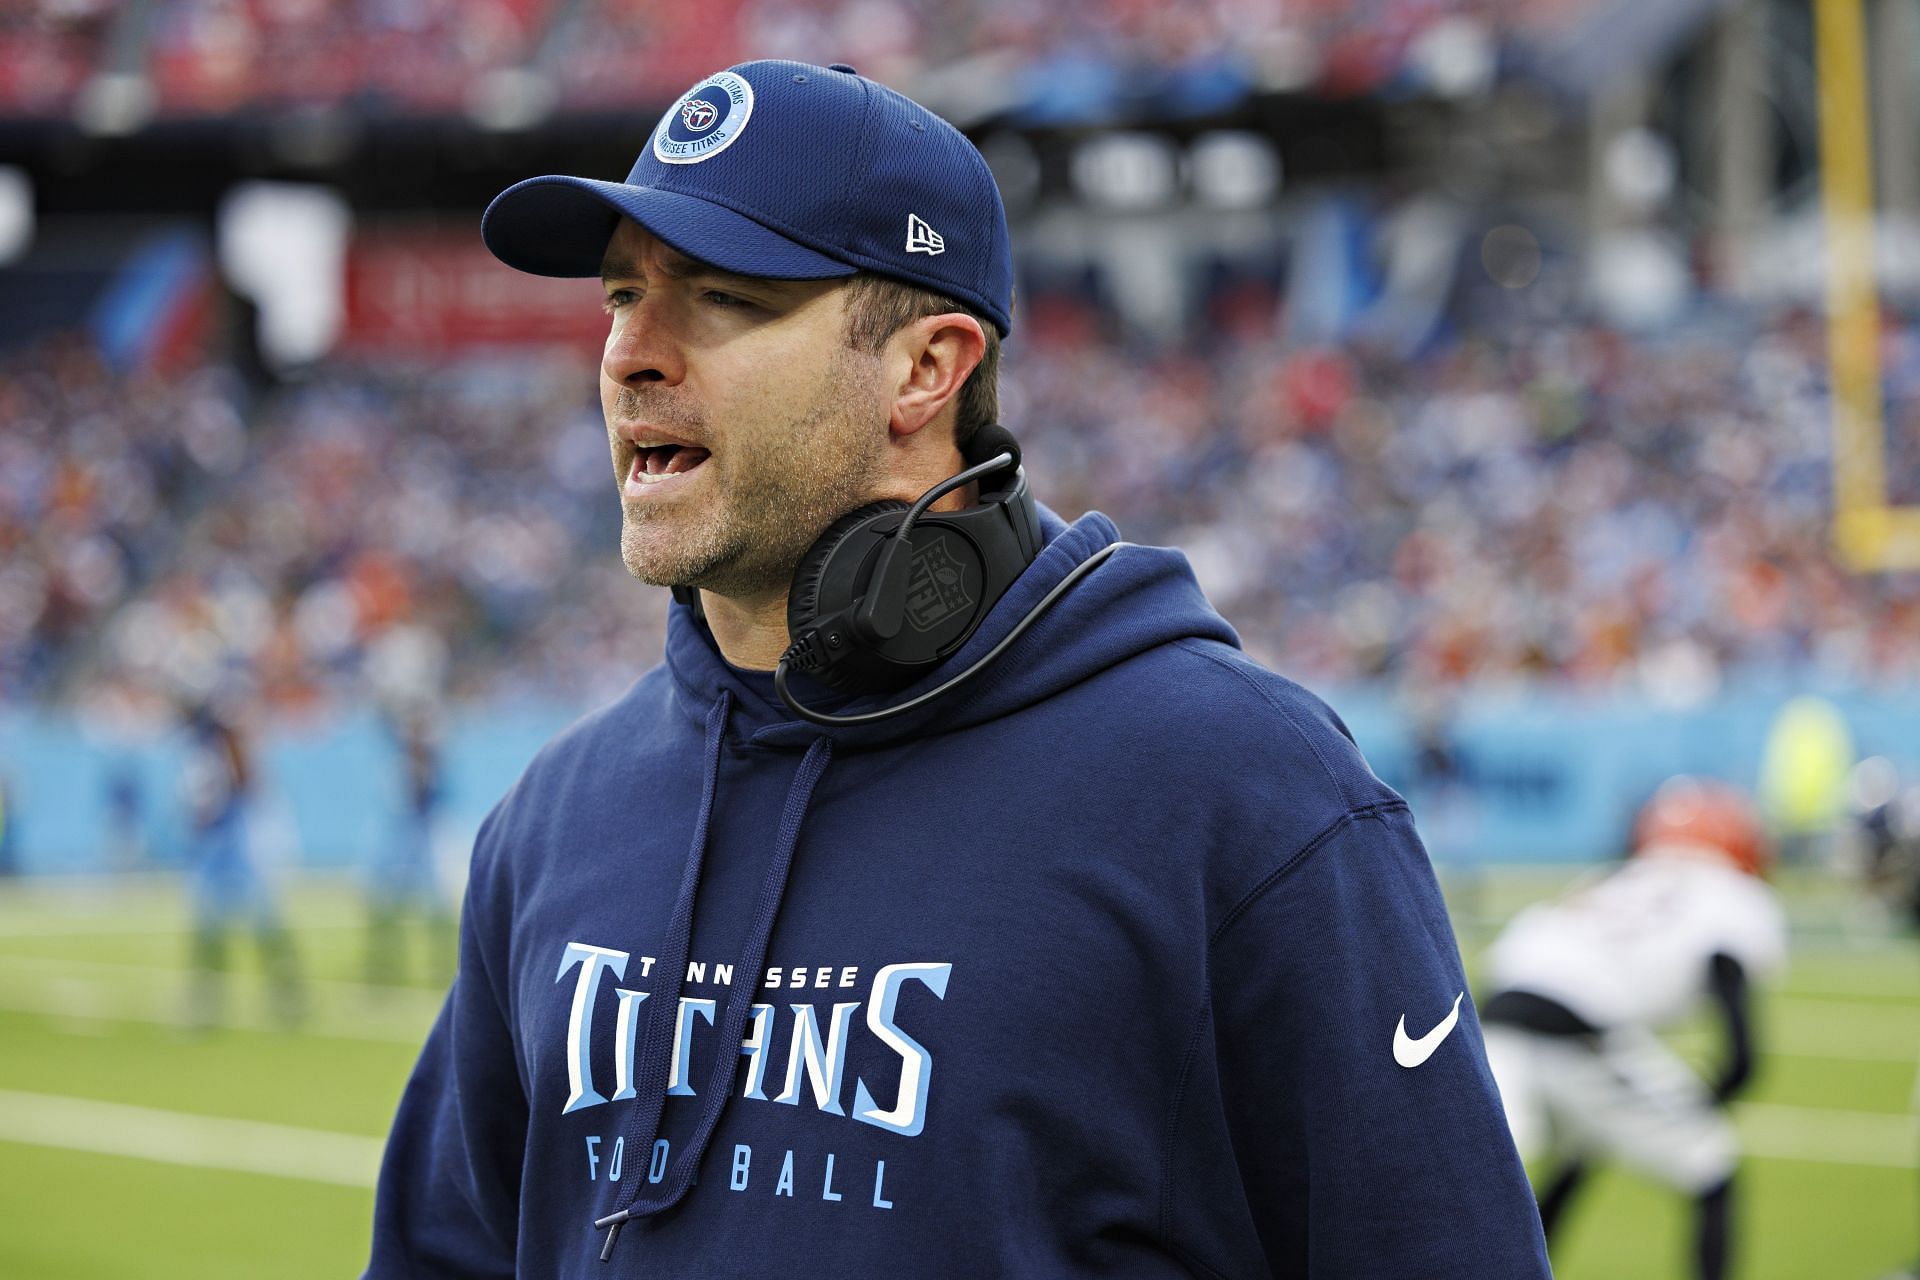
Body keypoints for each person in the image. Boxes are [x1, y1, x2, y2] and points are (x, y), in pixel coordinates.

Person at [366, 59, 1549, 1278]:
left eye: (719, 296)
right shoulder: (556, 820)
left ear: (928, 368)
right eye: (621, 293)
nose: (628, 355)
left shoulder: (1242, 796)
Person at [1480, 776, 1787, 1280]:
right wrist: (1728, 1081)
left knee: (1567, 1150)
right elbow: (1728, 983)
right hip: (1577, 1026)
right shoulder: (1733, 898)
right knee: (1713, 1163)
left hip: (1495, 1009)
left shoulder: (1614, 876)